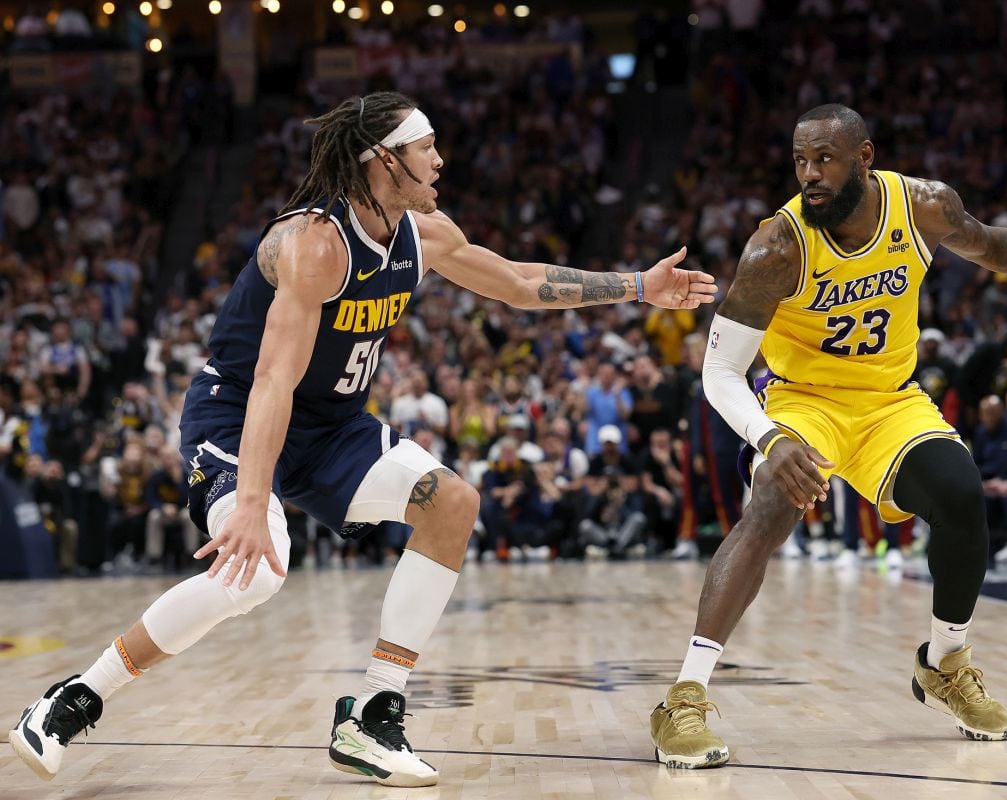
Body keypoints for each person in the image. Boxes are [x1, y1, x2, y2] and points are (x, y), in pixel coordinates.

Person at [8, 92, 716, 788]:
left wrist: (636, 287)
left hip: (332, 426)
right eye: (425, 148)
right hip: (239, 416)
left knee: (452, 504)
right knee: (253, 572)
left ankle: (375, 710)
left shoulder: (423, 231)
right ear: (384, 160)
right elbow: (272, 383)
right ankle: (73, 697)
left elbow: (518, 284)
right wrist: (252, 501)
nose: (440, 160)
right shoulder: (315, 244)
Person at [648, 104, 1007, 768]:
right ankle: (683, 698)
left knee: (962, 493)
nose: (810, 175)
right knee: (770, 503)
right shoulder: (779, 245)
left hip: (889, 401)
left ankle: (944, 664)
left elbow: (994, 246)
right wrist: (771, 439)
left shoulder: (924, 207)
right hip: (806, 402)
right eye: (800, 160)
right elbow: (719, 370)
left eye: (824, 159)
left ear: (864, 157)